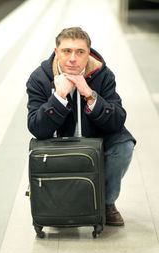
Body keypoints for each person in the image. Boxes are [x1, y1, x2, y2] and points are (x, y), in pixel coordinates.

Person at [26, 27, 136, 226]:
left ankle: (106, 203)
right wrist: (58, 97)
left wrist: (89, 93)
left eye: (80, 52)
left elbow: (117, 119)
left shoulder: (102, 75)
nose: (72, 58)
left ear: (88, 54)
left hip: (97, 135)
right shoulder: (39, 78)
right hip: (57, 141)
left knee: (124, 145)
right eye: (66, 51)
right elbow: (37, 128)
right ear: (56, 51)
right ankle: (59, 202)